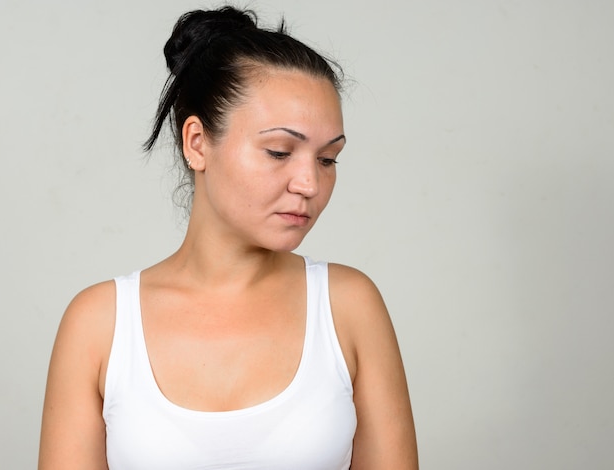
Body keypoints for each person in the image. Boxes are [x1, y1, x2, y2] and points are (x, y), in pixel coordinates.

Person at [39, 6, 418, 469]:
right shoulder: (98, 325)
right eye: (279, 151)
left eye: (327, 159)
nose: (310, 185)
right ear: (197, 143)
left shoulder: (349, 307)